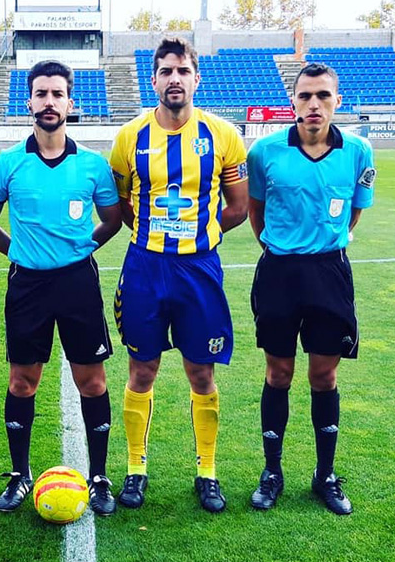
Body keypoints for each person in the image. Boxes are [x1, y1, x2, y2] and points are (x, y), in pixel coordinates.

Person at [0, 60, 122, 516]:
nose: (49, 102)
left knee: (91, 380)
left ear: (70, 102)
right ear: (29, 102)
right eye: (41, 94)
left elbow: (114, 219)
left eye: (57, 94)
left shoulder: (93, 165)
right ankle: (20, 475)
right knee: (23, 380)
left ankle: (98, 477)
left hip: (78, 282)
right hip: (28, 285)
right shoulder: (9, 162)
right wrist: (20, 251)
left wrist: (82, 246)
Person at [110, 37, 249, 513]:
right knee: (142, 368)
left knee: (201, 370)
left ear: (196, 77)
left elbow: (239, 207)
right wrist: (155, 234)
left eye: (183, 70)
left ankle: (206, 472)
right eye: (166, 71)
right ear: (154, 79)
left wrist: (199, 233)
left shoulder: (224, 135)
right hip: (146, 267)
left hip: (199, 268)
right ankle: (135, 468)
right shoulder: (129, 137)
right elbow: (123, 204)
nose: (175, 78)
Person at [247, 63, 375, 516]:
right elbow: (256, 213)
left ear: (336, 100)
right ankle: (272, 473)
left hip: (329, 274)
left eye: (322, 95)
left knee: (324, 376)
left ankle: (325, 475)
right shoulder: (264, 152)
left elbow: (354, 214)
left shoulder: (359, 151)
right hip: (279, 273)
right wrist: (280, 249)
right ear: (293, 102)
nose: (313, 104)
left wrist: (323, 244)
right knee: (278, 374)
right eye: (305, 96)